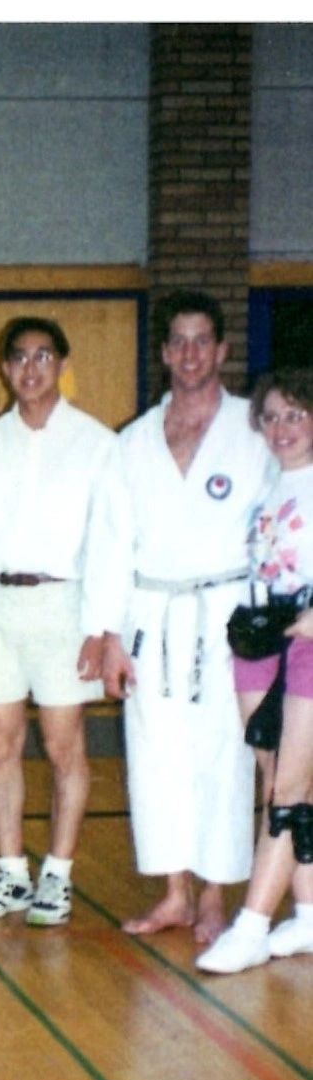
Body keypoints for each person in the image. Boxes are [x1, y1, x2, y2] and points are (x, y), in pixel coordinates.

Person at [93, 291, 275, 944]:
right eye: (179, 341)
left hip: (227, 615)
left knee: (222, 755)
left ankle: (214, 894)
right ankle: (174, 892)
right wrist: (108, 634)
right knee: (155, 756)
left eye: (203, 341)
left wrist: (273, 621)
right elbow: (110, 542)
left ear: (222, 350)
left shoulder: (253, 432)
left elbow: (278, 527)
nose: (191, 353)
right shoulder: (134, 440)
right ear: (165, 352)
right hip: (152, 615)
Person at [0, 317, 117, 928]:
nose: (30, 368)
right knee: (0, 743)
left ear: (62, 363)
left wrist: (100, 627)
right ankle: (12, 871)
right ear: (3, 368)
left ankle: (58, 873)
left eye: (43, 356)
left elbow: (108, 542)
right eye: (19, 357)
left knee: (61, 745)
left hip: (63, 608)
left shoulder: (96, 443)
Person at [197, 371, 313, 972]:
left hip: (308, 641)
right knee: (279, 778)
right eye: (271, 417)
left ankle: (250, 926)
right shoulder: (269, 482)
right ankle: (310, 913)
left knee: (287, 790)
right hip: (261, 636)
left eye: (295, 415)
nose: (282, 428)